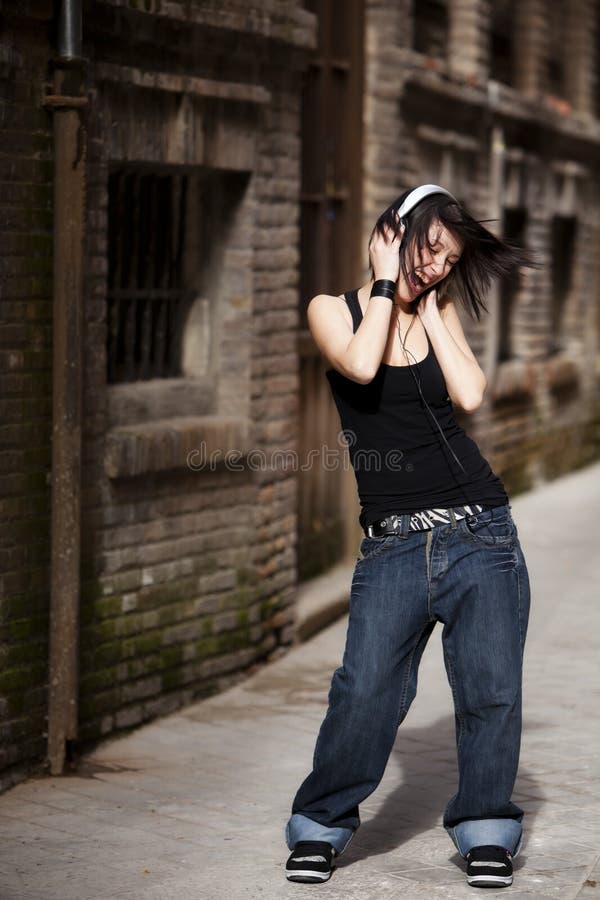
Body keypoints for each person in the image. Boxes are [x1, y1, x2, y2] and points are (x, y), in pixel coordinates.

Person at [284, 185, 533, 889]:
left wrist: (427, 304)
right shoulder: (333, 310)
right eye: (430, 248)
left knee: (491, 689)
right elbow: (359, 366)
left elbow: (471, 394)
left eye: (449, 259)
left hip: (480, 530)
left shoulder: (439, 306)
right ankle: (322, 826)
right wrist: (389, 283)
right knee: (363, 689)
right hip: (392, 543)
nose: (436, 267)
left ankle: (486, 828)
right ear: (393, 231)